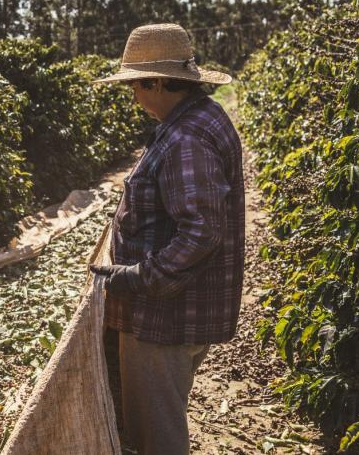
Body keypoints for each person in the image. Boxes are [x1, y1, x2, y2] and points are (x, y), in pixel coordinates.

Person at [91, 23, 244, 455]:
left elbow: (200, 231)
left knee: (157, 436)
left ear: (157, 82)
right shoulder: (198, 119)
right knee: (161, 419)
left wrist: (138, 276)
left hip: (164, 318)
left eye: (136, 86)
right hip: (177, 311)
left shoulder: (185, 139)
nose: (134, 97)